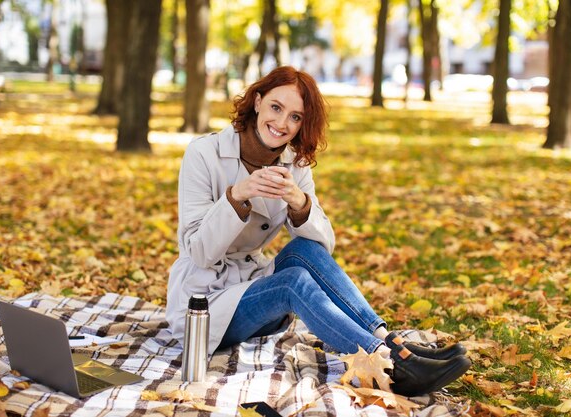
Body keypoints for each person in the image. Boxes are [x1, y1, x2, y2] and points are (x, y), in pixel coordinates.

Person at [165, 66, 471, 397]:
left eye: (295, 117)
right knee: (292, 282)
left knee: (303, 252)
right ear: (257, 102)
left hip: (253, 292)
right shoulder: (203, 154)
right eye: (276, 108)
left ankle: (393, 346)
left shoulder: (293, 163)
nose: (282, 124)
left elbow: (321, 250)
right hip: (205, 307)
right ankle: (388, 365)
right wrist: (237, 196)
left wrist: (299, 202)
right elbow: (198, 251)